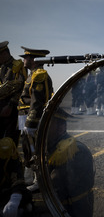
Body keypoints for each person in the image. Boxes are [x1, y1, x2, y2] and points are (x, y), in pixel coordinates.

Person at [18, 46, 53, 192]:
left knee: (37, 150)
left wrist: (31, 123)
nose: (24, 60)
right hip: (24, 116)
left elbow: (37, 102)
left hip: (32, 119)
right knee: (28, 148)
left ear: (34, 60)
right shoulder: (31, 74)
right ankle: (30, 177)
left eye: (26, 57)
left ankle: (40, 180)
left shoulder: (39, 75)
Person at [47, 108, 94, 217]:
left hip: (72, 211)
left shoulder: (73, 150)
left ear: (61, 128)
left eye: (49, 124)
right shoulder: (49, 144)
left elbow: (57, 186)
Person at [0, 41, 27, 146]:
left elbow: (23, 88)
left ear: (5, 54)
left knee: (11, 141)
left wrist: (10, 105)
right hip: (1, 107)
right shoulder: (1, 67)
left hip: (12, 109)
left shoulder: (18, 66)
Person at [0, 137, 33, 217]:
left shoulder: (15, 160)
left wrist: (15, 198)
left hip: (10, 190)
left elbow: (18, 180)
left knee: (26, 195)